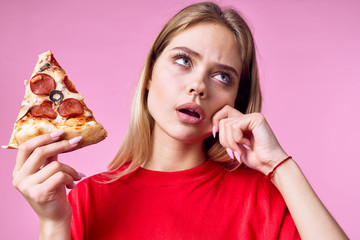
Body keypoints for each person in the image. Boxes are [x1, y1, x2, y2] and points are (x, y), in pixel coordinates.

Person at [12, 2, 348, 239]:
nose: (198, 86)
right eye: (183, 60)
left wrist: (281, 165)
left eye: (222, 78)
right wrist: (53, 224)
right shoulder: (85, 200)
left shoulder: (262, 198)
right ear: (150, 75)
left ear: (235, 102)